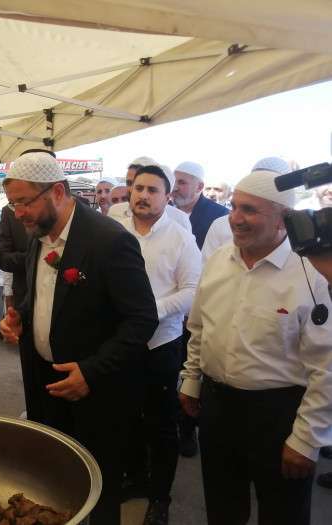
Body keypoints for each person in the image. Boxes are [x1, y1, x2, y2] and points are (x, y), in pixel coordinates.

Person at [0, 152, 158, 525]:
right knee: (54, 477)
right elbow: (41, 296)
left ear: (57, 191)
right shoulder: (39, 235)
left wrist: (92, 371)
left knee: (98, 485)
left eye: (24, 202)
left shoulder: (109, 240)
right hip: (45, 381)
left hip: (95, 390)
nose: (18, 213)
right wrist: (19, 317)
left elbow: (142, 319)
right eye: (13, 204)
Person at [179, 169, 332, 525]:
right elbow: (199, 327)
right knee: (222, 508)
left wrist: (307, 439)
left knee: (283, 514)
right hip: (217, 408)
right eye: (234, 207)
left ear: (283, 218)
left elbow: (327, 365)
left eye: (249, 210)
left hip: (279, 414)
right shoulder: (219, 259)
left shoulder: (313, 273)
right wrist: (192, 380)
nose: (235, 218)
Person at [118, 165, 201, 525]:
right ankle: (136, 479)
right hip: (120, 342)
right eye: (139, 188)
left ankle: (160, 498)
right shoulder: (115, 233)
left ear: (168, 197)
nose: (143, 195)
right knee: (127, 418)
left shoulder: (180, 238)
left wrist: (151, 311)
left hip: (161, 344)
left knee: (161, 425)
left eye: (153, 190)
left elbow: (192, 291)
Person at [202, 157, 291, 261]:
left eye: (250, 210)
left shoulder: (304, 259)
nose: (236, 220)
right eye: (234, 207)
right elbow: (206, 264)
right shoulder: (220, 226)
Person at [108, 157, 192, 232]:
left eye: (151, 189)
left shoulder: (179, 219)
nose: (131, 189)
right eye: (129, 183)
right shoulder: (115, 211)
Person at [172, 161, 229, 249]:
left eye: (181, 183)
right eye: (173, 182)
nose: (174, 188)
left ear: (199, 187)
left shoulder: (220, 215)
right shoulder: (163, 210)